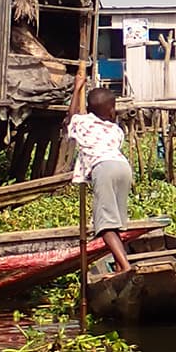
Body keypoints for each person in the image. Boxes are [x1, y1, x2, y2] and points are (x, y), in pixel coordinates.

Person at [68, 87, 134, 276]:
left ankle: (125, 267)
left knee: (105, 225)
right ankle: (120, 266)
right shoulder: (116, 130)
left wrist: (77, 87)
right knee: (117, 223)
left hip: (104, 168)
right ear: (111, 110)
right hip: (123, 168)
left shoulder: (82, 122)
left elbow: (71, 115)